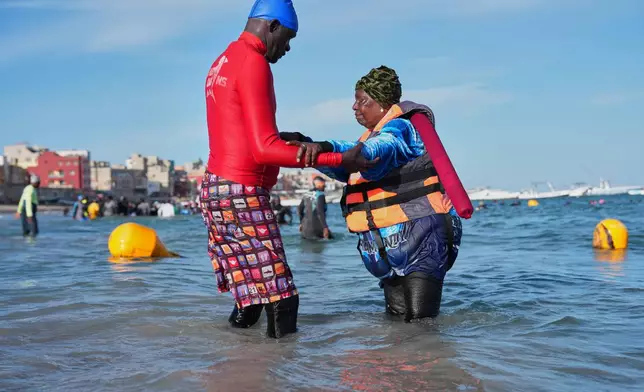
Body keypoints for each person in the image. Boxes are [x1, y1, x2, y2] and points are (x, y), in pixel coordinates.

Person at [200, 0, 376, 339]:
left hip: (216, 188)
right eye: (288, 38)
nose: (288, 48)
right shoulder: (254, 62)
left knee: (250, 298)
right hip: (242, 191)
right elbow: (263, 149)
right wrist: (341, 160)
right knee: (283, 298)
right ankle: (280, 376)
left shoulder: (223, 60)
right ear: (272, 26)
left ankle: (232, 364)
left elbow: (237, 134)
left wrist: (288, 138)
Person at [284, 66, 467, 321]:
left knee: (420, 329)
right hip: (386, 247)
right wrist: (307, 145)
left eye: (362, 101)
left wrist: (326, 147)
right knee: (396, 325)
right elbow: (346, 165)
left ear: (381, 104)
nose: (354, 107)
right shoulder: (368, 138)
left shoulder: (402, 129)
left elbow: (380, 148)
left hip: (421, 240)